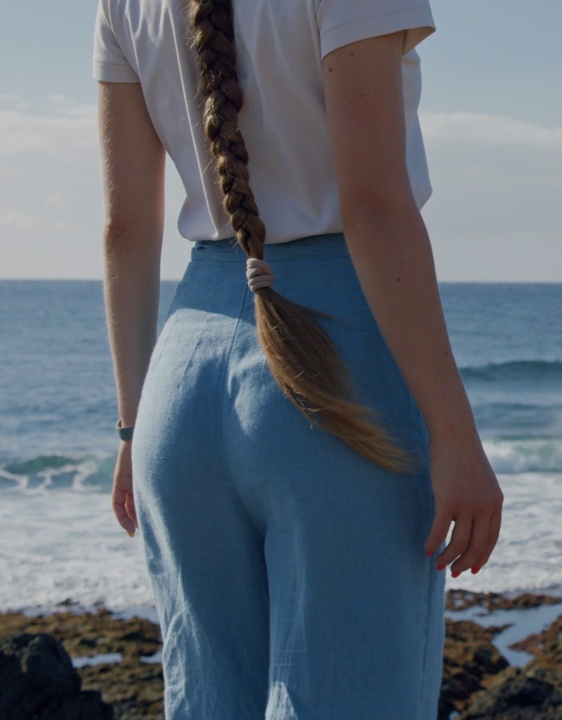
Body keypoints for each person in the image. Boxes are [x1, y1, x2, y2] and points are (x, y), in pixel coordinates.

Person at [95, 0, 503, 716]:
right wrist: (454, 432)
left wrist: (131, 430)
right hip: (336, 364)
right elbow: (373, 203)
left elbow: (125, 229)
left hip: (181, 384)